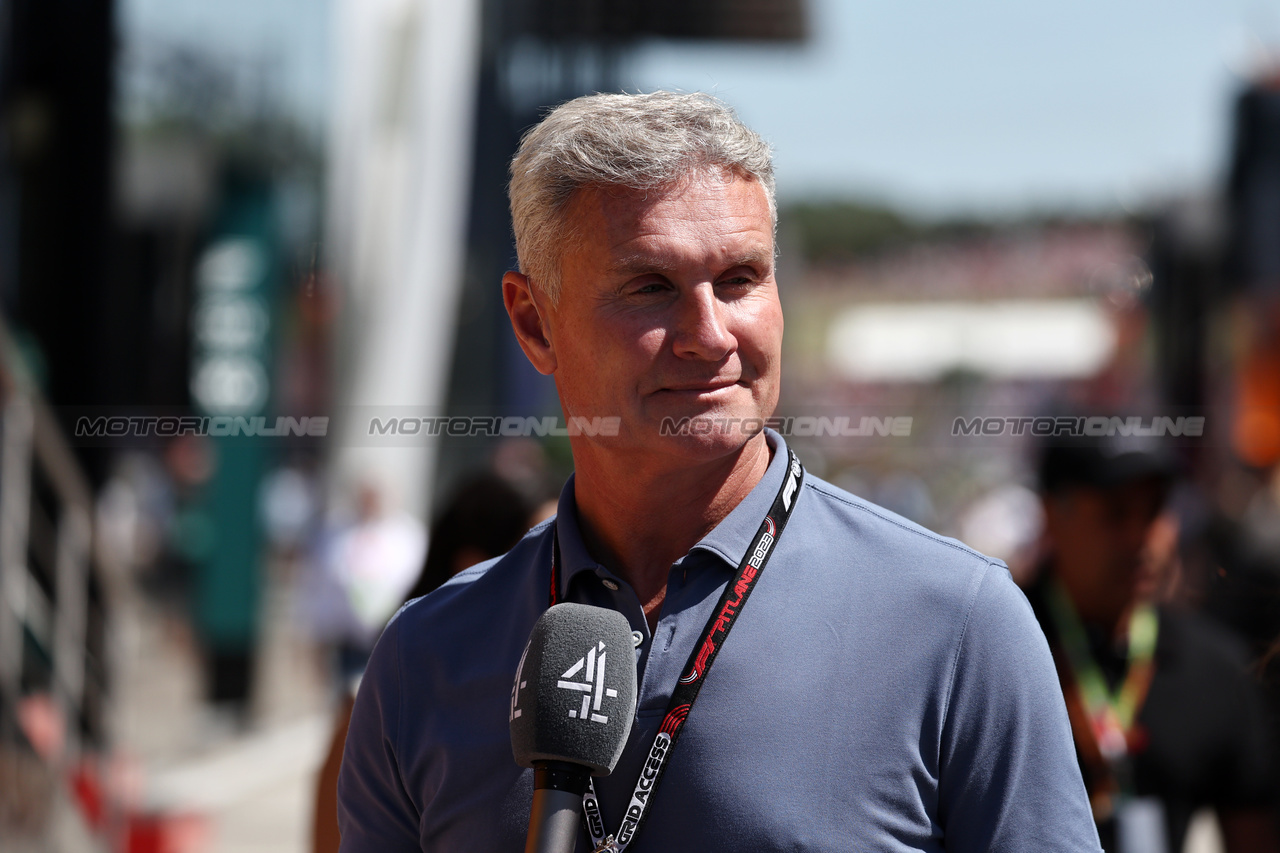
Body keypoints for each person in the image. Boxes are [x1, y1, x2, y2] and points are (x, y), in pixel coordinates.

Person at [337, 91, 1101, 852]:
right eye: (650, 287)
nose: (709, 334)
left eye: (739, 279)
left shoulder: (959, 622)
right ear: (536, 323)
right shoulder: (424, 658)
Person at [1028, 433, 1278, 853]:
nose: (1142, 538)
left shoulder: (1215, 669)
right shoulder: (989, 651)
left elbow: (1253, 832)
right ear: (1052, 514)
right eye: (1115, 512)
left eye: (1156, 510)